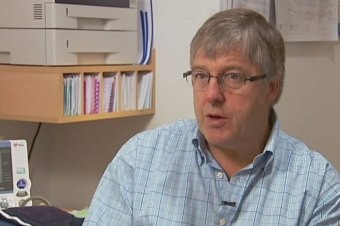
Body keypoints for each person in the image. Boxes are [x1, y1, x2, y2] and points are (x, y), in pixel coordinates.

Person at [83, 8, 340, 225]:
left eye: (233, 77)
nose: (212, 95)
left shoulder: (317, 188)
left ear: (272, 88)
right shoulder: (140, 160)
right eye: (201, 76)